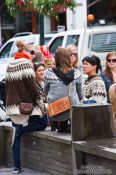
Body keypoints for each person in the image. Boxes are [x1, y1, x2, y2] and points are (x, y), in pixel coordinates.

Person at [5, 41, 47, 174]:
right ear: (27, 52)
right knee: (43, 123)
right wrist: (40, 102)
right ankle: (21, 130)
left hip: (11, 106)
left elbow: (7, 86)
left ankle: (16, 167)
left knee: (16, 136)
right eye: (33, 52)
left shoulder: (10, 64)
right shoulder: (27, 64)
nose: (33, 56)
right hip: (24, 106)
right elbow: (32, 88)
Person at [44, 47, 83, 133]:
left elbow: (45, 91)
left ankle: (59, 125)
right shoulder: (76, 73)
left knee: (52, 102)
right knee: (75, 101)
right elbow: (80, 93)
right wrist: (79, 99)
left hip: (55, 108)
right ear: (68, 58)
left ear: (56, 59)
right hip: (72, 107)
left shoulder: (48, 73)